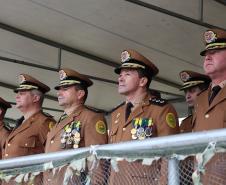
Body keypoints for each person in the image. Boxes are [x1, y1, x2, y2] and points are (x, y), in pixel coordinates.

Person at [108, 49, 180, 185]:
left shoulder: (161, 109)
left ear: (142, 81)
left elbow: (169, 156)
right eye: (120, 74)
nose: (120, 78)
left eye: (127, 74)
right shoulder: (116, 113)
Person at [44, 68, 108, 185]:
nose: (59, 93)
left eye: (65, 89)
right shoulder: (59, 122)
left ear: (80, 94)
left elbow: (97, 162)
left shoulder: (91, 118)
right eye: (59, 89)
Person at [1, 74, 56, 185]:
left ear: (36, 98)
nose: (17, 97)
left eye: (22, 94)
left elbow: (53, 160)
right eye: (18, 94)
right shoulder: (19, 124)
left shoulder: (44, 123)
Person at [192, 28, 226, 184]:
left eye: (216, 51)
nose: (208, 57)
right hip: (202, 178)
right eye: (206, 54)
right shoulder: (200, 99)